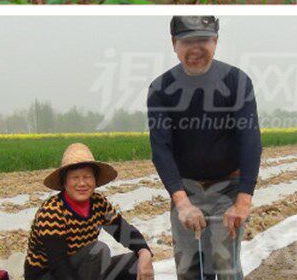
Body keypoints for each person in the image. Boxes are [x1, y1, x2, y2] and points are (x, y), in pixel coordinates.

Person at [147, 16, 261, 280]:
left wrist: (243, 201)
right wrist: (182, 202)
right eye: (188, 41)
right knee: (188, 268)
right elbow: (161, 148)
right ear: (174, 43)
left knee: (224, 264)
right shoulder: (161, 88)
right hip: (186, 187)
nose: (196, 49)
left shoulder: (236, 81)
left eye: (204, 40)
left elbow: (250, 140)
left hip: (227, 187)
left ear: (216, 41)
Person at [24, 143, 154, 280]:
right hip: (49, 274)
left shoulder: (99, 203)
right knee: (98, 251)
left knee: (135, 262)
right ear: (64, 183)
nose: (82, 183)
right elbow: (59, 264)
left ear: (95, 180)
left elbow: (122, 230)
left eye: (87, 177)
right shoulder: (52, 211)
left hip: (82, 269)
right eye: (75, 178)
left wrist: (144, 251)